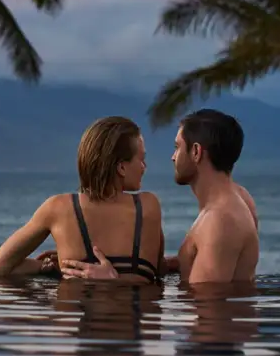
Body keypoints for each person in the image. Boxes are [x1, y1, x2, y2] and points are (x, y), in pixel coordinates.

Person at [60, 108, 259, 285]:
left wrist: (113, 281)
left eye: (177, 147)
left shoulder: (220, 221)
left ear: (196, 152)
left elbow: (207, 307)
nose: (173, 157)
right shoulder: (240, 198)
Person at [0, 116, 164, 284]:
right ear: (122, 167)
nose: (144, 167)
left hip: (78, 311)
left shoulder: (59, 208)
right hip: (135, 311)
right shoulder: (149, 206)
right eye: (142, 159)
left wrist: (45, 267)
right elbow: (158, 269)